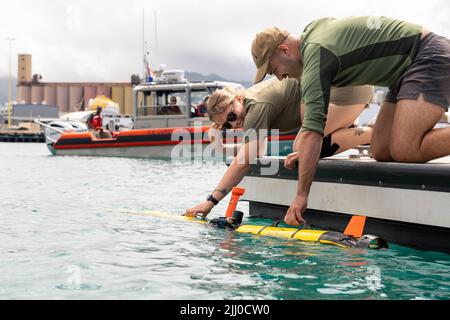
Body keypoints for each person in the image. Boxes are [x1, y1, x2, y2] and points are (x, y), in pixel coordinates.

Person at [251, 16, 450, 227]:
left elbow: (313, 131)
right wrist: (308, 152)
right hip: (401, 74)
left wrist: (301, 196)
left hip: (427, 55)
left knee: (405, 150)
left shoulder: (316, 56)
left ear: (284, 50)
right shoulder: (312, 36)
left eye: (273, 70)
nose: (280, 77)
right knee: (381, 149)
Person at [185, 77, 373, 217]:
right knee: (303, 145)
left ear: (237, 99)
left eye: (231, 117)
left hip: (346, 92)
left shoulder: (257, 105)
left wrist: (211, 201)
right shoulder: (251, 106)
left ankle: (374, 132)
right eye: (226, 126)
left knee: (303, 146)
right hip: (346, 91)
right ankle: (357, 131)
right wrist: (221, 146)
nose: (233, 125)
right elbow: (257, 153)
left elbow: (245, 161)